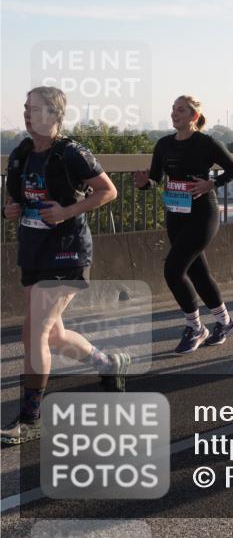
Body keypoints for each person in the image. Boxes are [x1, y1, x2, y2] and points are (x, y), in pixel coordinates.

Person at [1, 87, 129, 445]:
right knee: (53, 336)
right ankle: (108, 364)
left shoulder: (71, 153)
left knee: (34, 333)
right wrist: (8, 209)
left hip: (66, 252)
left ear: (54, 115)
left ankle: (31, 419)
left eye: (33, 108)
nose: (26, 114)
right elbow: (14, 198)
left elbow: (108, 191)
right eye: (25, 108)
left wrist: (67, 211)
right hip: (33, 252)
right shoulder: (22, 153)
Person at [134, 96, 233, 353]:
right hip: (176, 213)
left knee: (173, 270)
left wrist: (211, 183)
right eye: (173, 109)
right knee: (197, 272)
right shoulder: (163, 144)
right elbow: (156, 178)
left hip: (203, 213)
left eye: (181, 110)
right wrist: (145, 183)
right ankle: (225, 322)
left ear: (194, 116)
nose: (174, 114)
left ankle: (195, 327)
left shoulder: (206, 143)